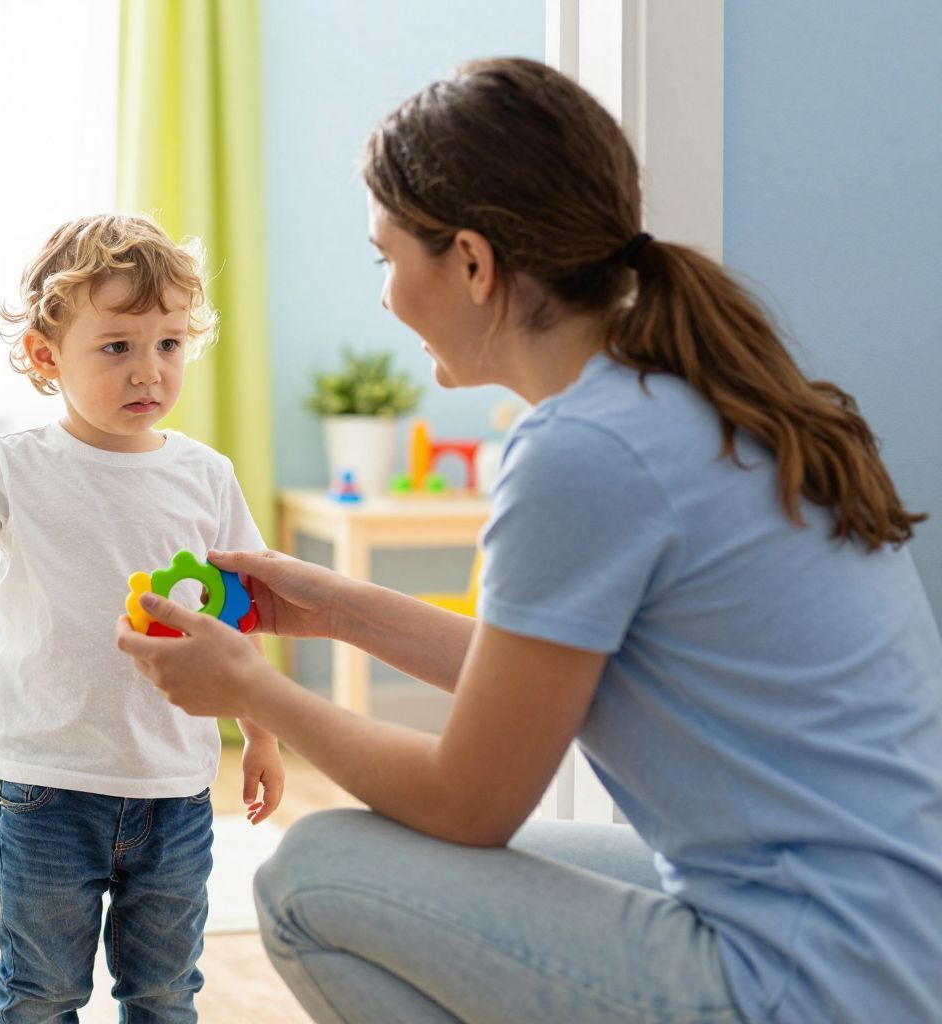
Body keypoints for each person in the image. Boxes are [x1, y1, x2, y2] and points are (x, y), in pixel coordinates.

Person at [116, 58, 942, 1024]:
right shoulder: (691, 400)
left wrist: (252, 689)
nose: (384, 297)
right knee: (438, 858)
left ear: (472, 262)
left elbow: (472, 799)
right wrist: (332, 606)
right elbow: (543, 675)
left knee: (311, 875)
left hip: (809, 980)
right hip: (891, 945)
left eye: (387, 258)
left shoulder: (581, 451)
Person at [0, 213, 284, 1023]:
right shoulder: (15, 467)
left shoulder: (206, 476)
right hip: (48, 789)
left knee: (163, 992)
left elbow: (241, 617)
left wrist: (261, 734)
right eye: (118, 346)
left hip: (176, 789)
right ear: (48, 355)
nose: (149, 370)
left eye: (170, 344)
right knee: (42, 994)